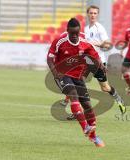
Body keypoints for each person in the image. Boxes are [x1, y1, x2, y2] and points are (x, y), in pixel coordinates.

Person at [47, 18, 105, 147]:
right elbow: (49, 58)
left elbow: (94, 55)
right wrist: (55, 73)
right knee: (73, 95)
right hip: (62, 74)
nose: (74, 36)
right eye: (72, 33)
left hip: (78, 76)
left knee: (88, 105)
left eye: (76, 33)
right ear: (67, 31)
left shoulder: (84, 41)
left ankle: (93, 136)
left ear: (79, 32)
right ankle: (85, 127)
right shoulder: (59, 41)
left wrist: (100, 65)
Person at [62, 5, 126, 115]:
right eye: (91, 13)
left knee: (105, 88)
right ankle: (77, 110)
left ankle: (119, 99)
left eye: (95, 13)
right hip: (85, 61)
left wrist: (95, 43)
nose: (93, 15)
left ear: (97, 15)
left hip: (98, 61)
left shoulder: (99, 28)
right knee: (76, 80)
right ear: (87, 14)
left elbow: (107, 44)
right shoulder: (85, 29)